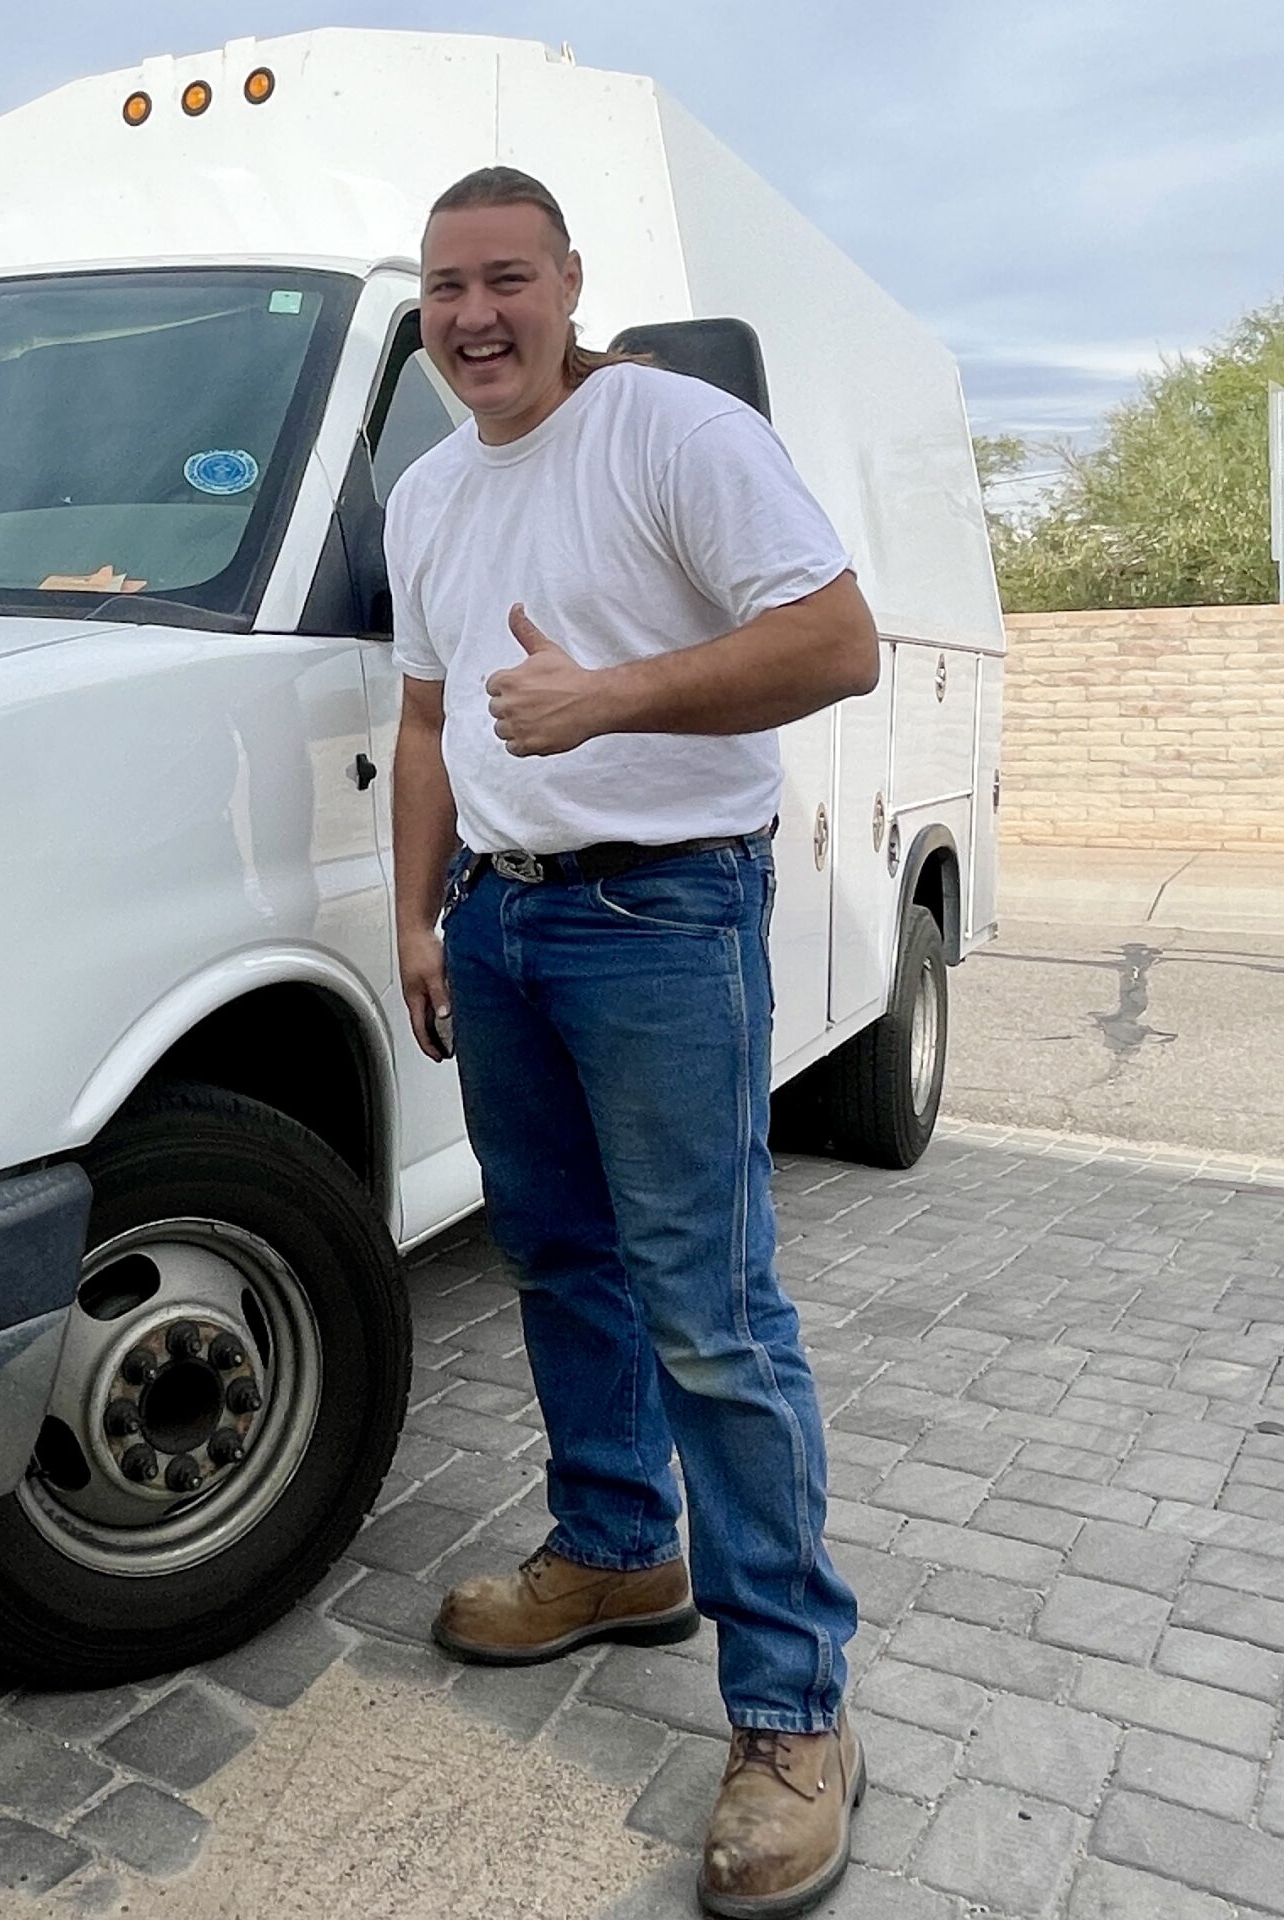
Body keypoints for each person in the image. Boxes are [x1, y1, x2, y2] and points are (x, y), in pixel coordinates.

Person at [385, 166, 880, 1920]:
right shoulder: (431, 492)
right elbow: (431, 713)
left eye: (505, 279)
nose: (474, 317)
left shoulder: (667, 429)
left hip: (665, 913)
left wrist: (610, 696)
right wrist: (420, 916)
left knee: (710, 1303)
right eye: (446, 288)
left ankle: (793, 1706)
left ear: (570, 282)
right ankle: (613, 1550)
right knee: (562, 1263)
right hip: (508, 924)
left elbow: (839, 641)